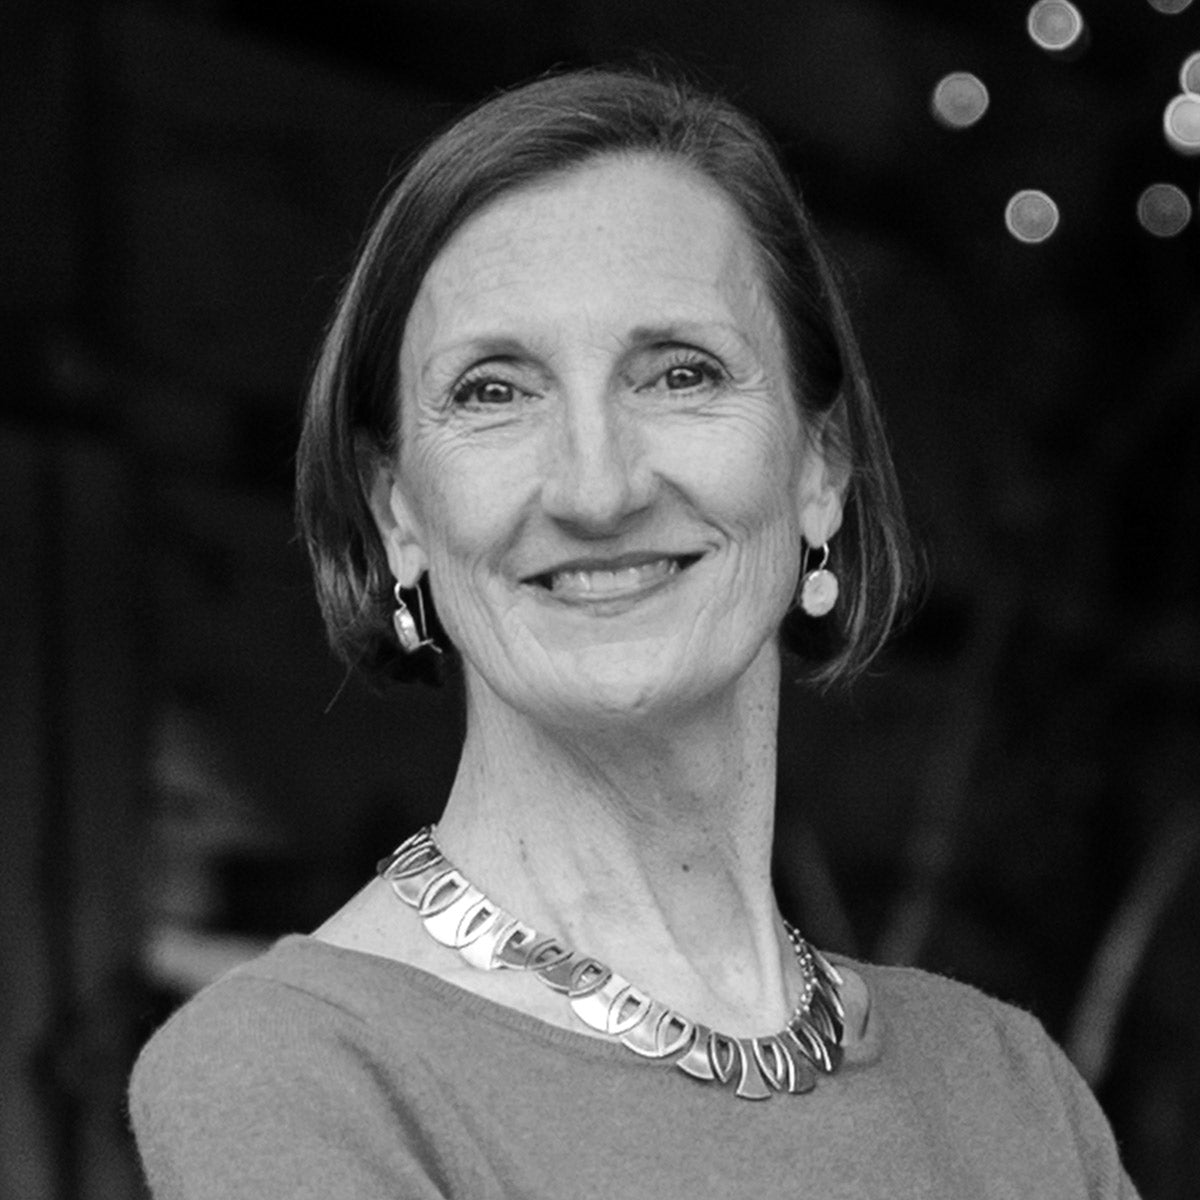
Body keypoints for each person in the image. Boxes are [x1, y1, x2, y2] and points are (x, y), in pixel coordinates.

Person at [129, 66, 1140, 1198]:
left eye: (680, 373)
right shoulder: (297, 1073)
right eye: (494, 392)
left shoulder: (1007, 1085)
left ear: (819, 471)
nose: (597, 489)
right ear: (398, 514)